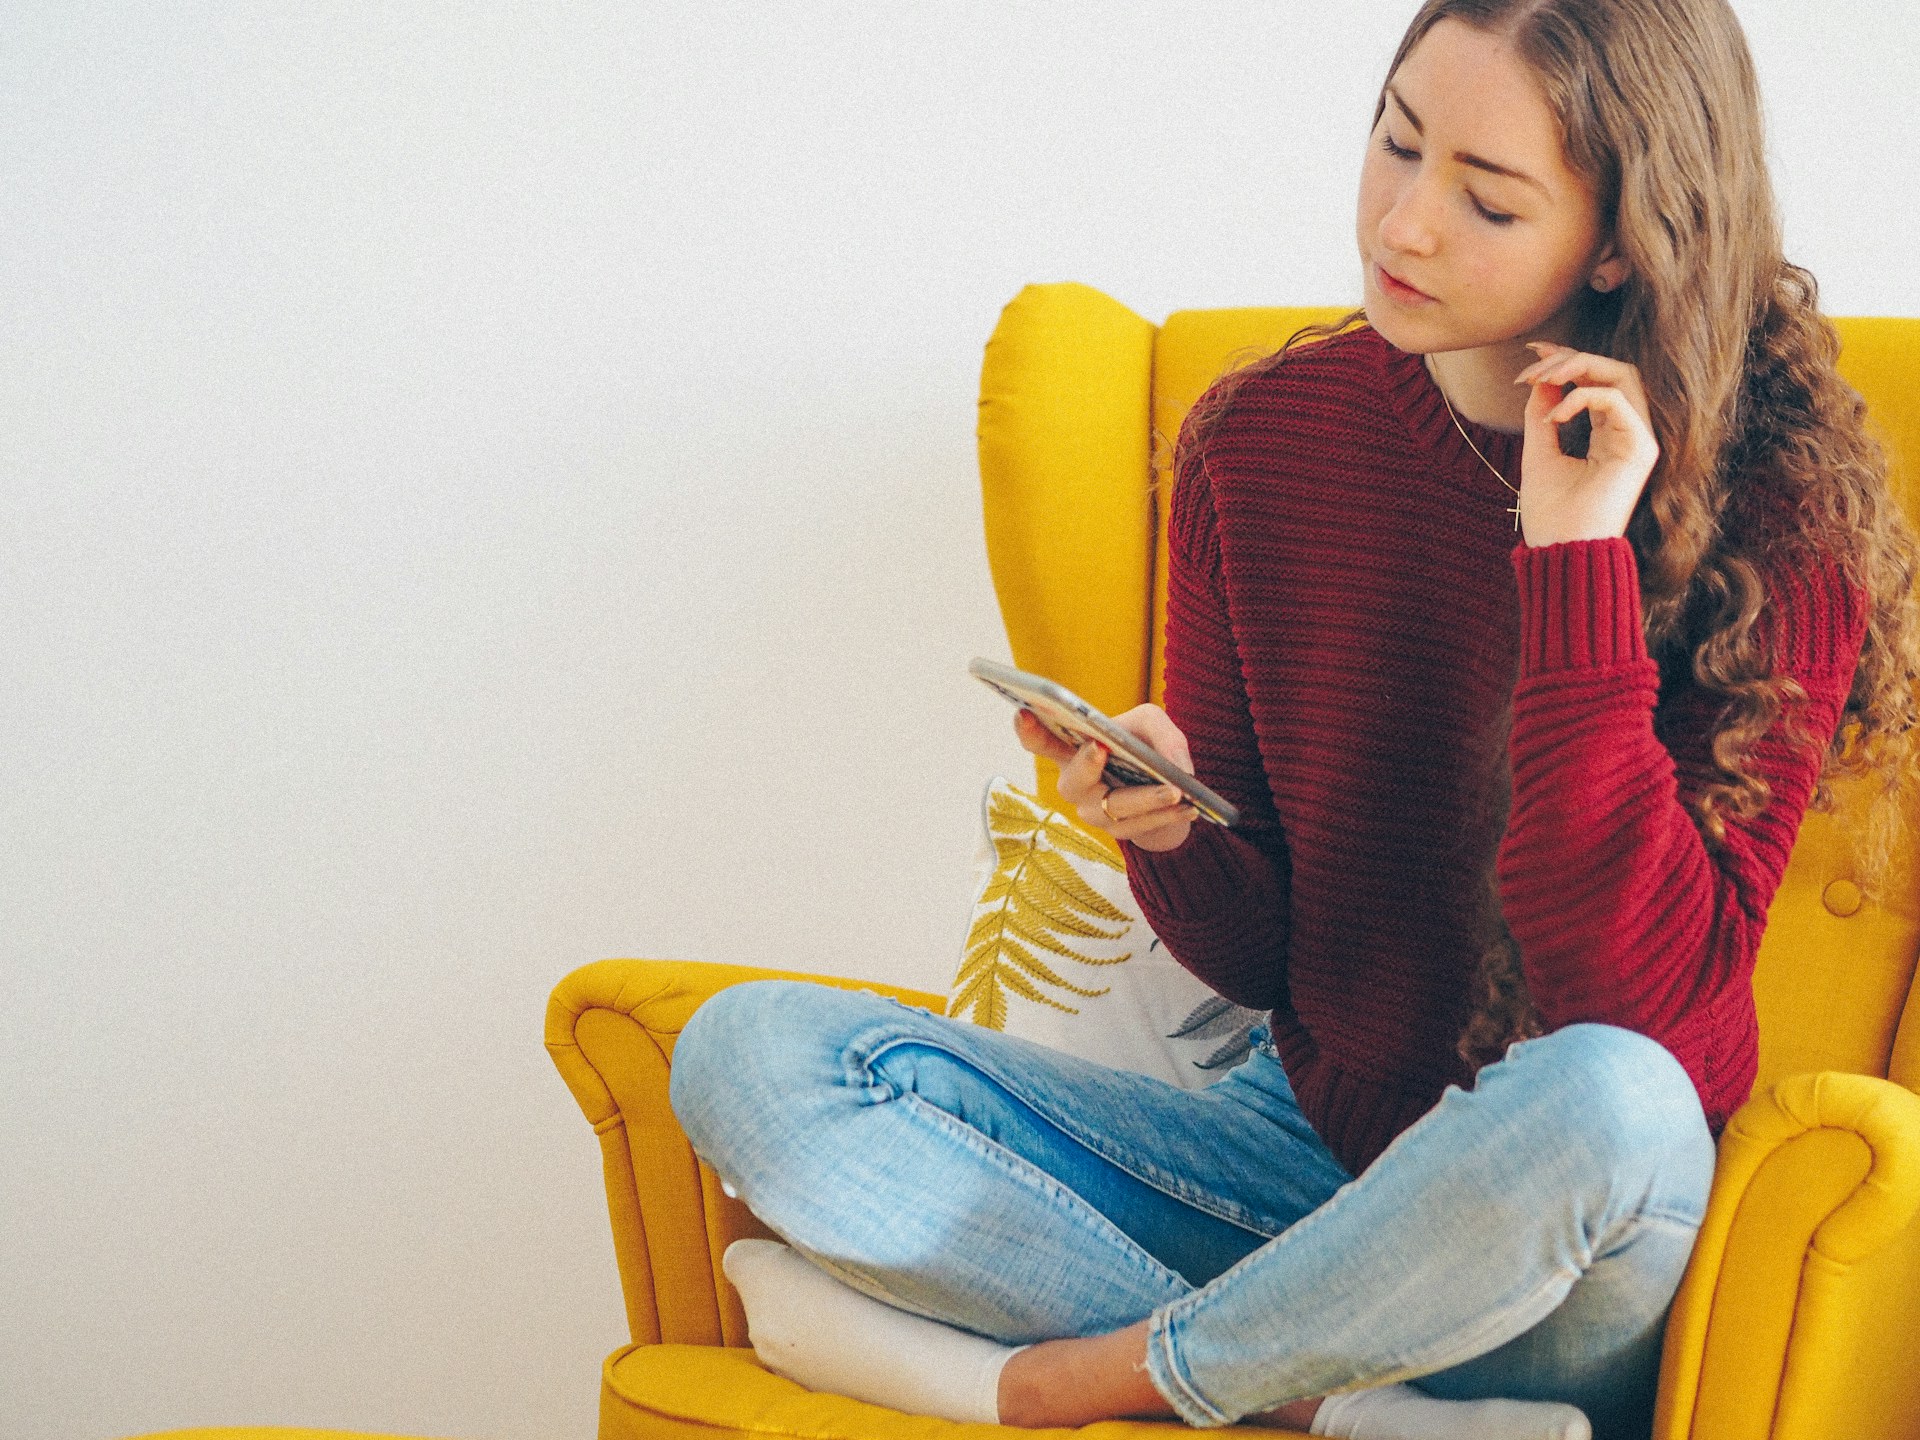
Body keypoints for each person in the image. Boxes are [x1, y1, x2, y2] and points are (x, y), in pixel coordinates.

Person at [668, 2, 1920, 1437]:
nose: (1405, 220)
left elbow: (1646, 1022)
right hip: (1295, 1156)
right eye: (1396, 143)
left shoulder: (1781, 510)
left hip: (1562, 1221)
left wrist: (1573, 560)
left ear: (1625, 239)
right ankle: (1325, 1405)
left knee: (1614, 1099)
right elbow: (1267, 958)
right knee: (753, 1059)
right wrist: (1171, 831)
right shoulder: (1258, 445)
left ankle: (1090, 1385)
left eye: (1485, 196)